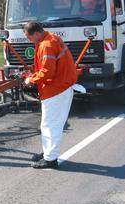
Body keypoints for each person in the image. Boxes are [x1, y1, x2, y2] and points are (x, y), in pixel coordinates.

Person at [23, 22, 78, 169]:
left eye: (29, 37)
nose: (29, 40)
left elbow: (48, 72)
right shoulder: (51, 38)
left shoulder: (46, 45)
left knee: (50, 125)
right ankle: (48, 152)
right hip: (60, 87)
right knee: (51, 124)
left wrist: (31, 80)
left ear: (36, 33)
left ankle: (51, 160)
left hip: (56, 89)